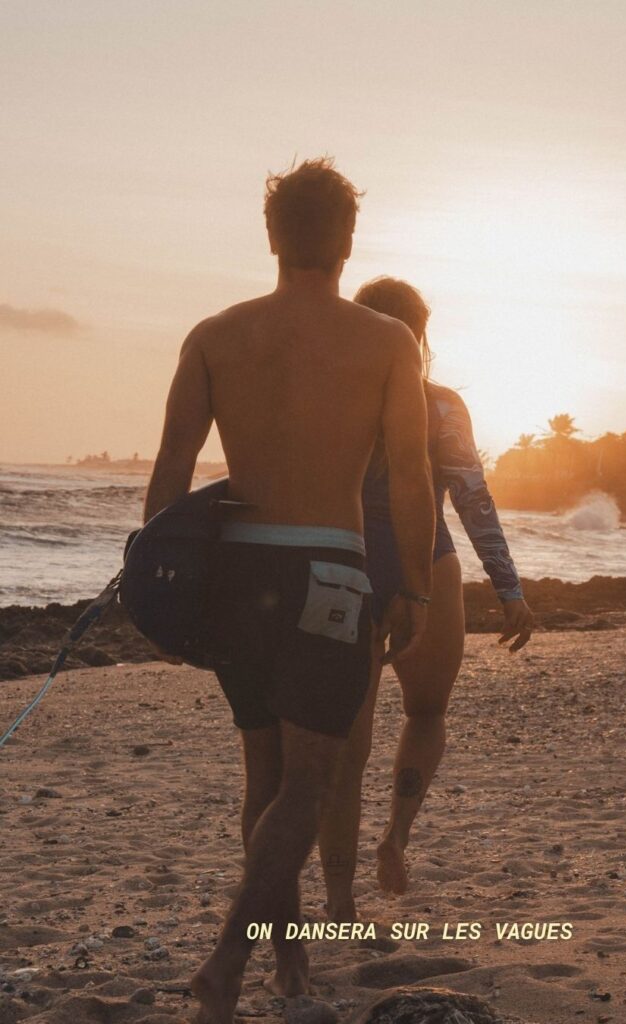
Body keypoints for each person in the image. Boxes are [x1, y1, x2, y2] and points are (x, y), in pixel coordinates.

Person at [142, 161, 435, 1022]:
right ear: (348, 240)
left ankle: (289, 957)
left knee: (264, 772)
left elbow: (171, 466)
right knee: (310, 779)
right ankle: (231, 958)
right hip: (329, 574)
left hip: (236, 573)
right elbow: (410, 477)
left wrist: (157, 587)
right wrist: (412, 585)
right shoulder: (387, 342)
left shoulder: (215, 335)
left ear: (271, 235)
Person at [319, 277, 534, 920]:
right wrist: (508, 587)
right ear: (420, 335)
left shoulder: (330, 397)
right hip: (428, 562)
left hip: (346, 565)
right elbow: (472, 498)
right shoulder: (439, 404)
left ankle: (340, 901)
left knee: (347, 747)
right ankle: (395, 837)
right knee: (427, 712)